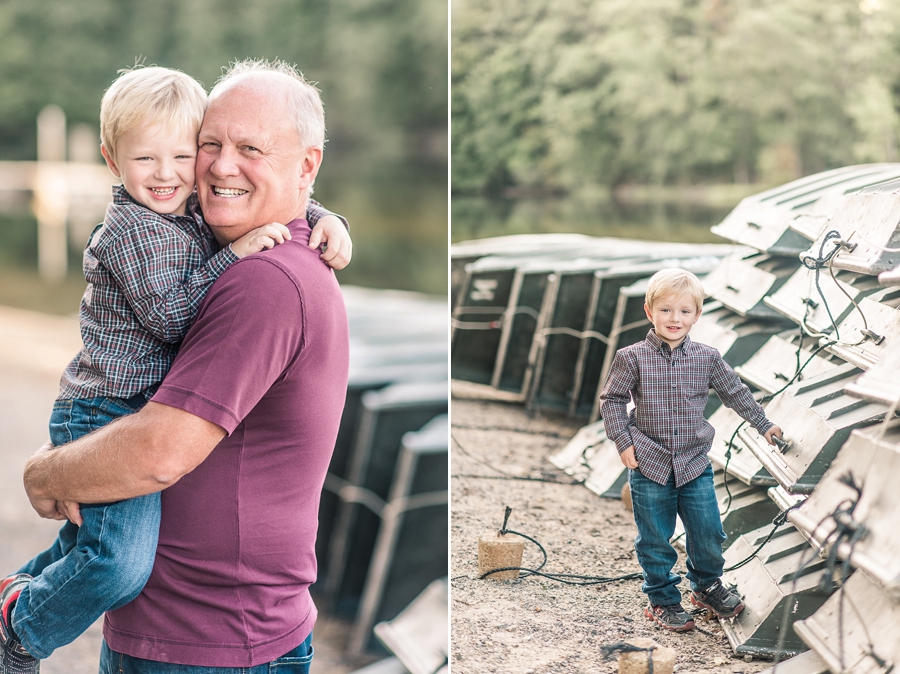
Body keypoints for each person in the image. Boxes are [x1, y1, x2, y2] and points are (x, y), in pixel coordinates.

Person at [11, 60, 351, 673]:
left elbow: (157, 454)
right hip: (193, 629)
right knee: (97, 544)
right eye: (210, 146)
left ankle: (17, 629)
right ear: (115, 161)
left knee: (106, 552)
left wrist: (45, 476)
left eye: (249, 148)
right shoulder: (177, 231)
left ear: (307, 165)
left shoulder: (266, 282)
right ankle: (19, 603)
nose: (219, 166)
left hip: (210, 643)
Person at [599, 268, 783, 633]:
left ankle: (706, 586)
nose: (675, 319)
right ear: (649, 311)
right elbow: (612, 400)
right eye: (666, 310)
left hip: (694, 461)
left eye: (684, 311)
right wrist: (623, 442)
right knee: (654, 537)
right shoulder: (631, 357)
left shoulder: (707, 357)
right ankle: (663, 599)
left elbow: (736, 393)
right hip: (649, 462)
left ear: (697, 315)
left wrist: (764, 424)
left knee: (708, 531)